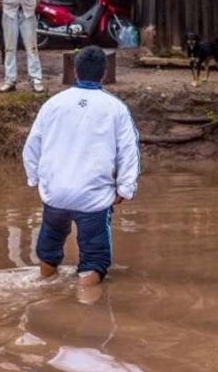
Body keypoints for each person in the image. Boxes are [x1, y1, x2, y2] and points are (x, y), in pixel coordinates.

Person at [22, 46, 141, 286]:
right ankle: (87, 309)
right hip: (93, 198)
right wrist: (124, 189)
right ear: (104, 73)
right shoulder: (115, 108)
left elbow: (32, 146)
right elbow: (129, 152)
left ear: (75, 71)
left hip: (55, 194)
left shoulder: (53, 104)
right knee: (94, 261)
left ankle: (44, 290)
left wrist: (35, 179)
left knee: (49, 248)